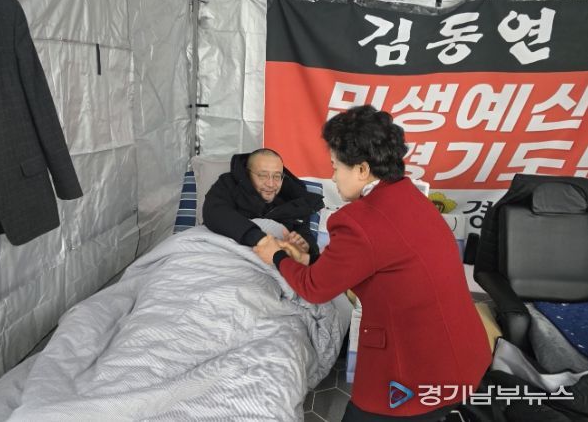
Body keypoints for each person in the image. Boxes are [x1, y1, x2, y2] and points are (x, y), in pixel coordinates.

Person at [254, 106, 491, 421]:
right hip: (463, 354)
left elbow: (314, 288)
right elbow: (377, 262)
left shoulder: (358, 221)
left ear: (362, 169)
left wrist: (276, 255)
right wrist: (308, 259)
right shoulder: (408, 196)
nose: (333, 177)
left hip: (412, 370)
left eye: (335, 167)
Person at [203, 148, 324, 258]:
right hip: (219, 252)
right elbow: (214, 212)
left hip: (267, 261)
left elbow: (305, 237)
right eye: (262, 176)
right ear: (247, 174)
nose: (271, 184)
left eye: (277, 176)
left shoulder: (295, 200)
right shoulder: (229, 183)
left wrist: (305, 248)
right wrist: (259, 238)